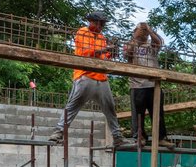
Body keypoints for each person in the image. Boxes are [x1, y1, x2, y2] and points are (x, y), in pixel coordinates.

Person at [49, 10, 134, 147]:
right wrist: (105, 49)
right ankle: (58, 133)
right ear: (93, 22)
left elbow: (103, 58)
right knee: (72, 107)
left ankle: (117, 137)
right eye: (100, 24)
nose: (101, 27)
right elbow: (85, 53)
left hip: (101, 78)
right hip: (85, 75)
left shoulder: (101, 37)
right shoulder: (82, 32)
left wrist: (111, 52)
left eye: (103, 25)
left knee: (110, 109)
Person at [123, 21, 170, 147]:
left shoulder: (151, 45)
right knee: (138, 114)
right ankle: (140, 137)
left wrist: (149, 30)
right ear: (134, 32)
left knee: (158, 114)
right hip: (137, 85)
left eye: (145, 32)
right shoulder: (130, 43)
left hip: (154, 85)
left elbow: (159, 42)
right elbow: (127, 53)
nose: (144, 34)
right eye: (141, 31)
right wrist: (136, 36)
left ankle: (161, 137)